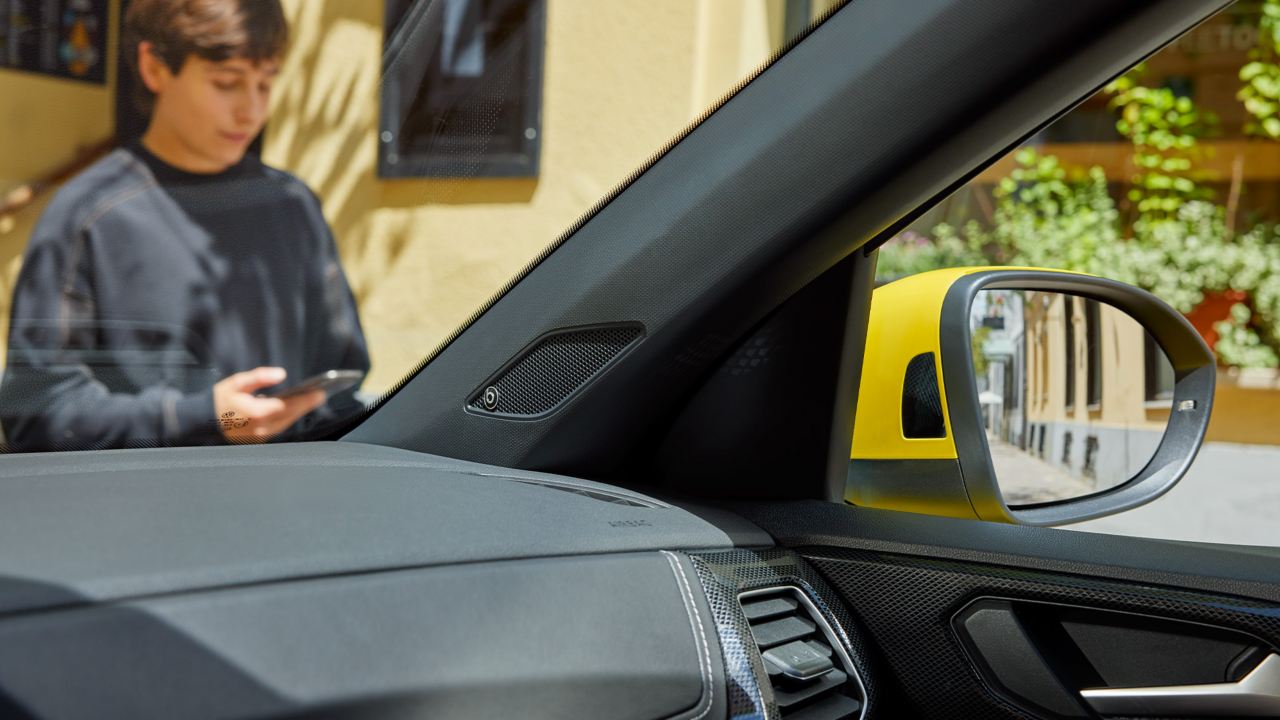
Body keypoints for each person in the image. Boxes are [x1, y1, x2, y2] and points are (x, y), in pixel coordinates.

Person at [0, 0, 369, 450]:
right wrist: (198, 418)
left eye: (266, 84)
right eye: (226, 83)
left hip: (284, 502)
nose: (251, 110)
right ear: (154, 67)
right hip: (139, 507)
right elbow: (37, 410)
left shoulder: (293, 205)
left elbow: (342, 374)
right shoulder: (86, 215)